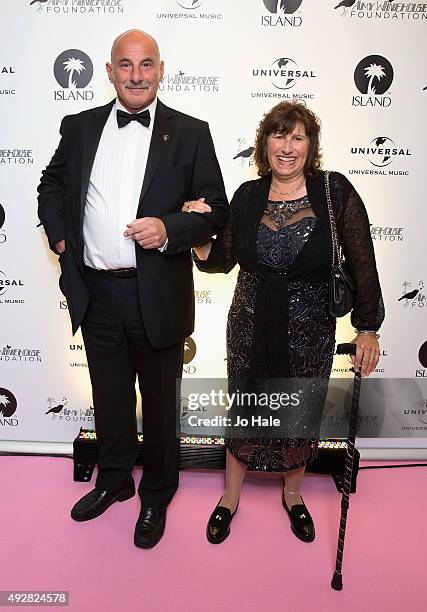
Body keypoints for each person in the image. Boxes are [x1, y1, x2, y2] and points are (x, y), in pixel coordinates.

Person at [37, 29, 228, 549]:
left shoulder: (190, 132)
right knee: (110, 398)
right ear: (109, 70)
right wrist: (59, 237)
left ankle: (158, 493)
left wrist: (170, 229)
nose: (136, 75)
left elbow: (217, 208)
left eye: (146, 65)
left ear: (161, 70)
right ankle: (115, 479)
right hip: (97, 292)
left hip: (157, 294)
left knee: (161, 405)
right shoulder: (78, 127)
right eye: (126, 65)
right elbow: (51, 184)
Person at [183, 101, 384, 544]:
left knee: (299, 413)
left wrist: (367, 328)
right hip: (249, 326)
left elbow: (363, 263)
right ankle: (230, 496)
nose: (287, 146)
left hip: (309, 331)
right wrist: (197, 231)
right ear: (264, 144)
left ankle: (293, 494)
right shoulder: (247, 196)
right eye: (279, 135)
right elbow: (220, 261)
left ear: (310, 146)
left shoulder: (335, 194)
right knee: (246, 409)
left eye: (297, 137)